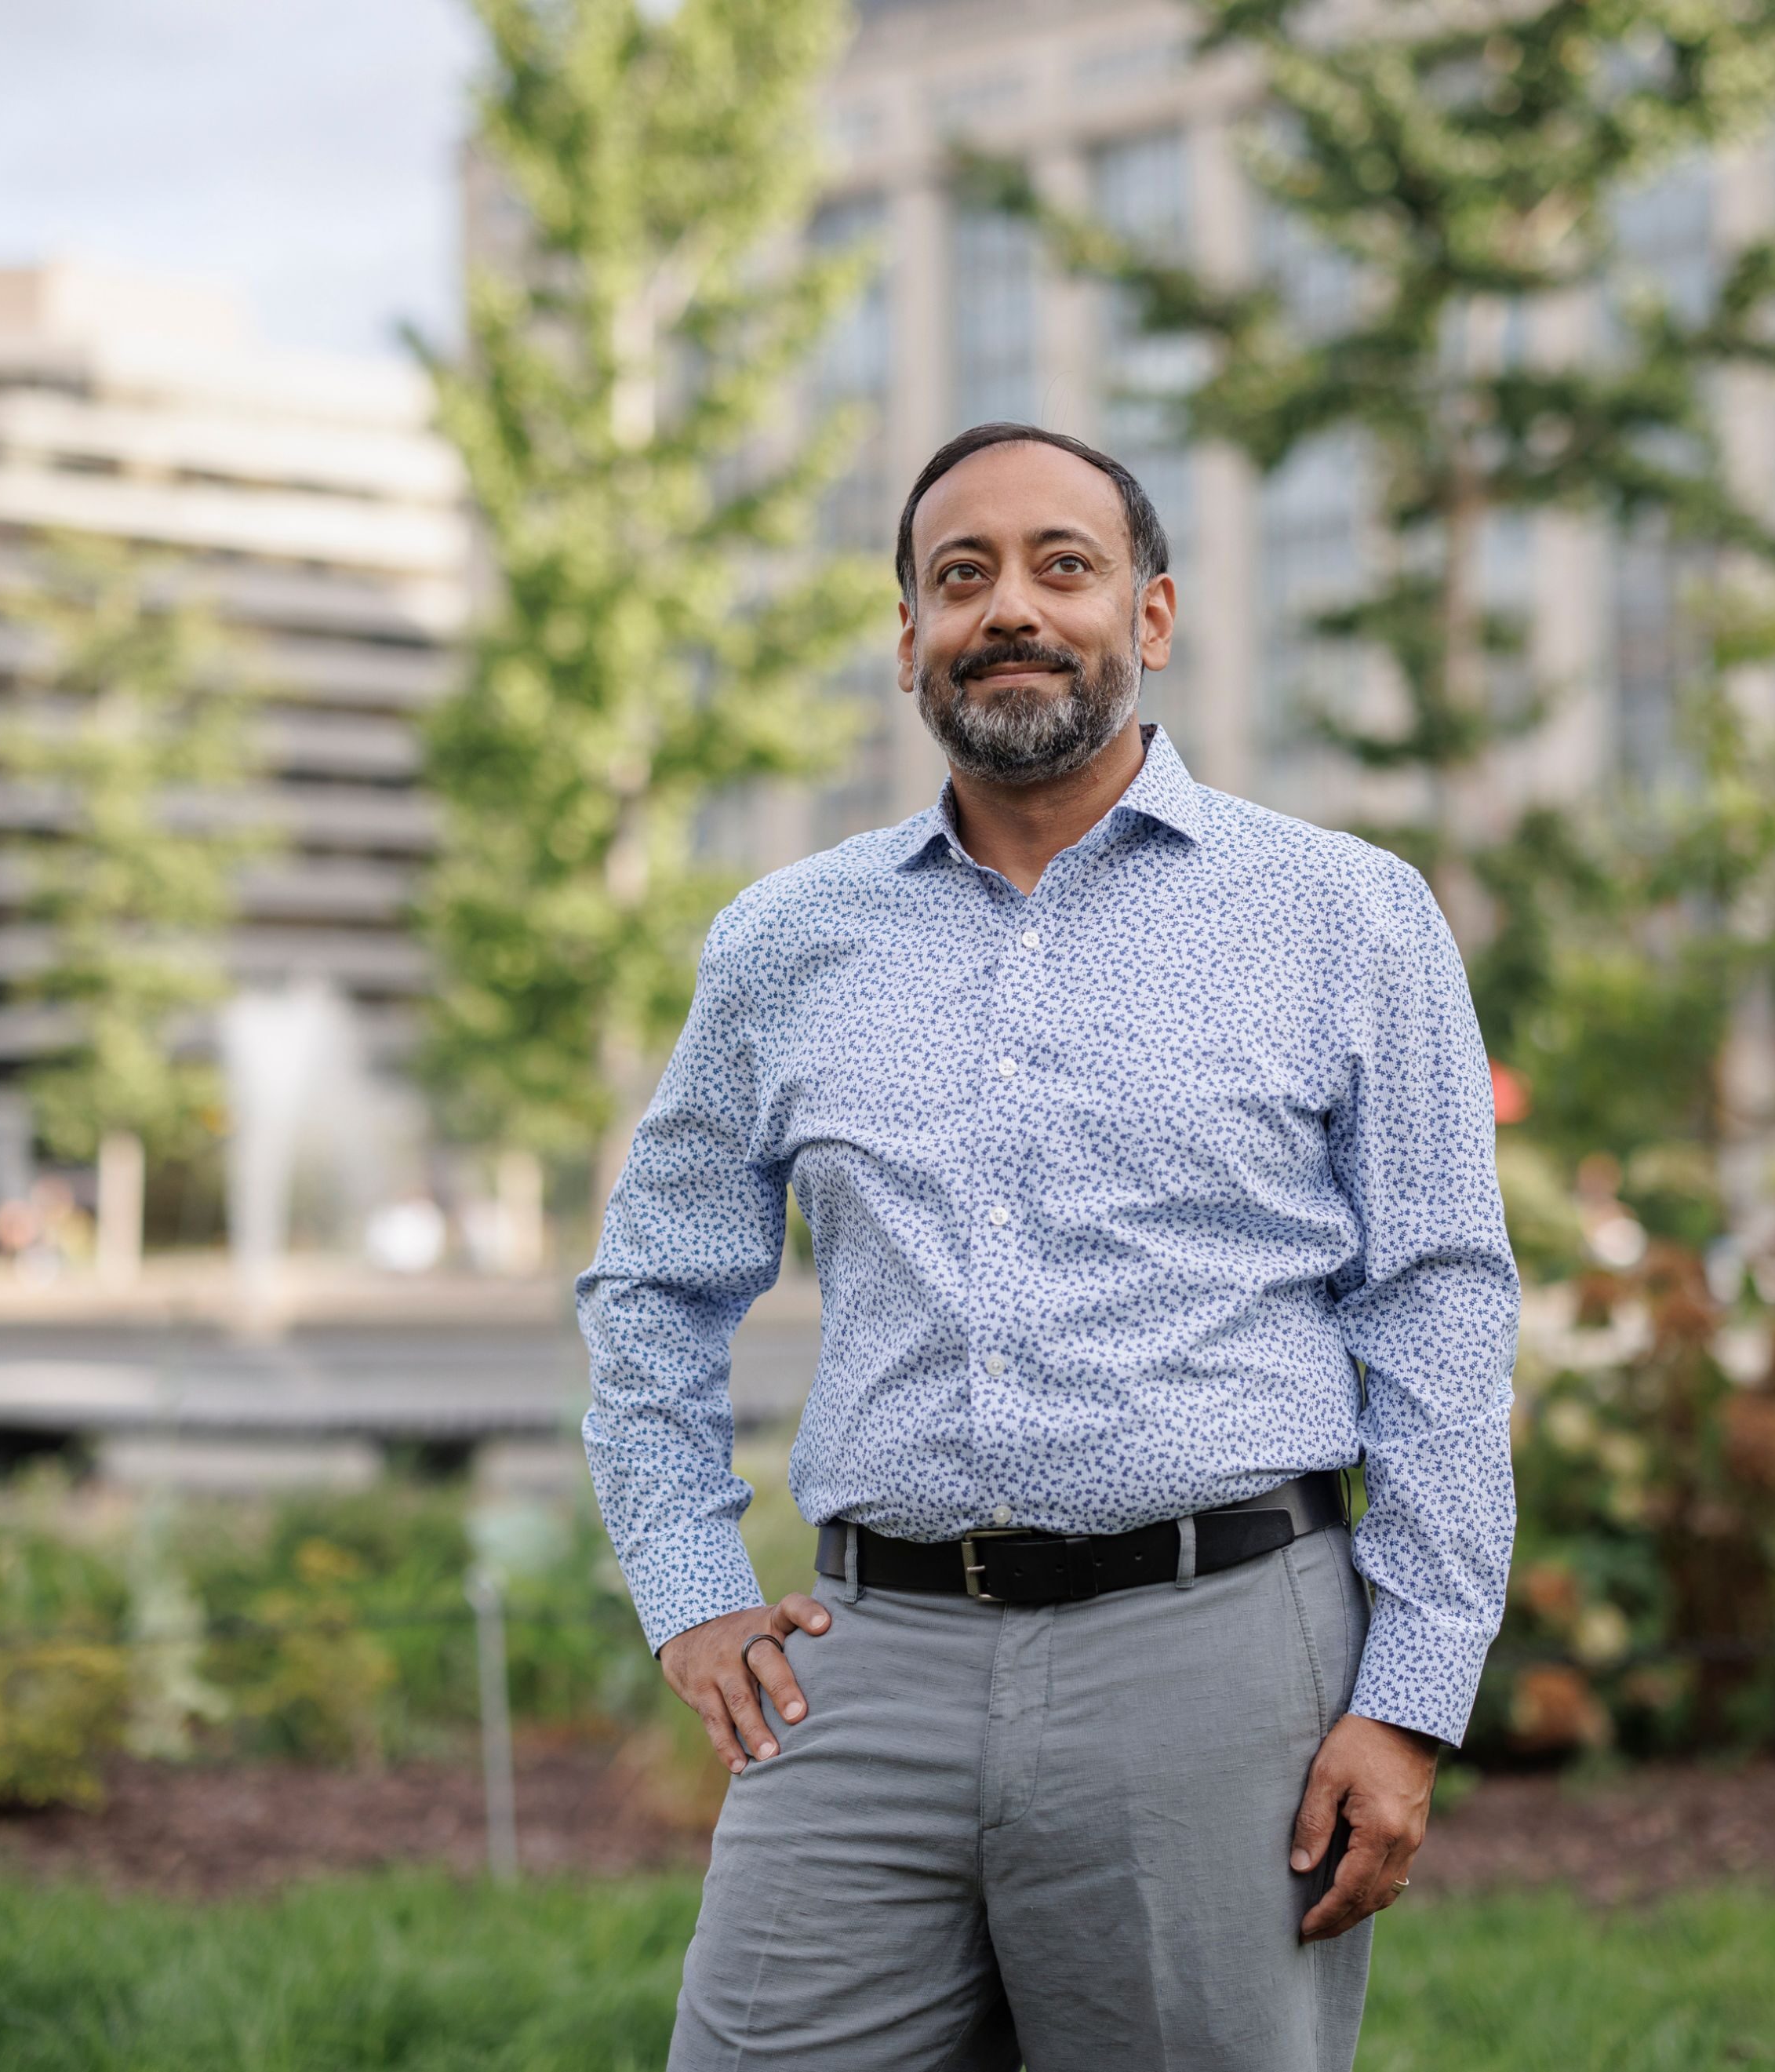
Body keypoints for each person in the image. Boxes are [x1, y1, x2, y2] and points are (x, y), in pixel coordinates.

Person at [578, 421, 1519, 2070]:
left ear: (1149, 618)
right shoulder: (787, 942)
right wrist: (688, 1587)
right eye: (962, 576)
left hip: (1221, 1658)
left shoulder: (1346, 915)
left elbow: (1438, 1307)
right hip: (865, 1673)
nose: (1009, 607)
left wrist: (1413, 1688)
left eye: (1061, 566)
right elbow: (655, 1285)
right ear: (908, 645)